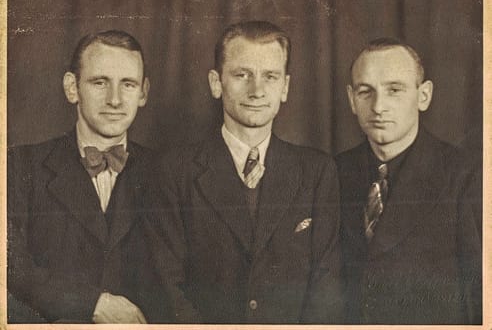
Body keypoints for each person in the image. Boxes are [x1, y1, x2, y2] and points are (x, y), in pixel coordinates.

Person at [155, 20, 344, 323]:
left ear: (285, 87)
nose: (257, 90)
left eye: (270, 76)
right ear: (217, 83)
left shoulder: (317, 172)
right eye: (242, 75)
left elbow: (326, 288)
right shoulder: (175, 171)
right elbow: (166, 287)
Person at [8, 30, 170, 323]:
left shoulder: (168, 173)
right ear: (72, 88)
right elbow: (10, 265)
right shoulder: (20, 165)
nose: (115, 100)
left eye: (128, 84)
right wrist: (91, 303)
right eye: (99, 82)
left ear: (143, 92)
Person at [335, 37, 482, 324]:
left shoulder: (467, 175)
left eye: (394, 90)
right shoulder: (333, 172)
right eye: (366, 92)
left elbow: (480, 296)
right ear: (352, 99)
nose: (379, 106)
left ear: (423, 95)